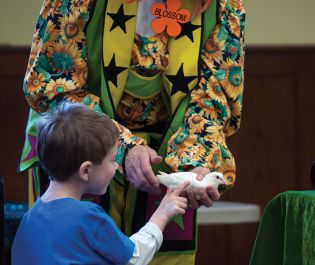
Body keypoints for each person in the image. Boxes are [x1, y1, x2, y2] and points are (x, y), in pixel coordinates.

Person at [19, 0, 245, 263]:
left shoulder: (223, 5)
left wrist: (194, 166)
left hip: (168, 151)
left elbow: (214, 98)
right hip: (79, 146)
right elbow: (55, 86)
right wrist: (119, 147)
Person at [12, 102, 190, 265]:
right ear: (86, 170)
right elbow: (134, 259)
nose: (115, 167)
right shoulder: (88, 217)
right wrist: (163, 213)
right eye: (113, 160)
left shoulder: (29, 219)